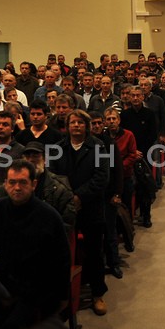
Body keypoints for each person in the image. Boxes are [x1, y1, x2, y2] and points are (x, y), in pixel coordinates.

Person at [0, 160, 71, 321]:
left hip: (37, 291)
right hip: (1, 288)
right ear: (5, 184)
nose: (17, 188)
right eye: (12, 182)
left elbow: (62, 259)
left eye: (23, 182)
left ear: (33, 184)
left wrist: (63, 296)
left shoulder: (49, 216)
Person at [48, 110, 110, 315]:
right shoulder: (57, 148)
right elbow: (52, 177)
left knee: (93, 253)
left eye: (80, 123)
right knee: (63, 252)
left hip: (91, 207)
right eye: (72, 122)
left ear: (87, 126)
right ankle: (63, 295)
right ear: (67, 126)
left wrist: (79, 197)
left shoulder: (100, 146)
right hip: (63, 207)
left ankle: (97, 294)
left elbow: (102, 178)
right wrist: (68, 197)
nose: (76, 126)